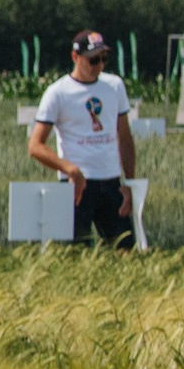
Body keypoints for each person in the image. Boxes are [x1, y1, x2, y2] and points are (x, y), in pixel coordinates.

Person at [30, 30, 136, 246]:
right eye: (93, 60)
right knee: (74, 255)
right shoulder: (57, 93)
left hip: (111, 181)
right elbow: (35, 146)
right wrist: (69, 168)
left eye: (104, 59)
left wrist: (130, 184)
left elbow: (125, 139)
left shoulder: (114, 86)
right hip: (76, 187)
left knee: (126, 251)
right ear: (75, 57)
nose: (100, 65)